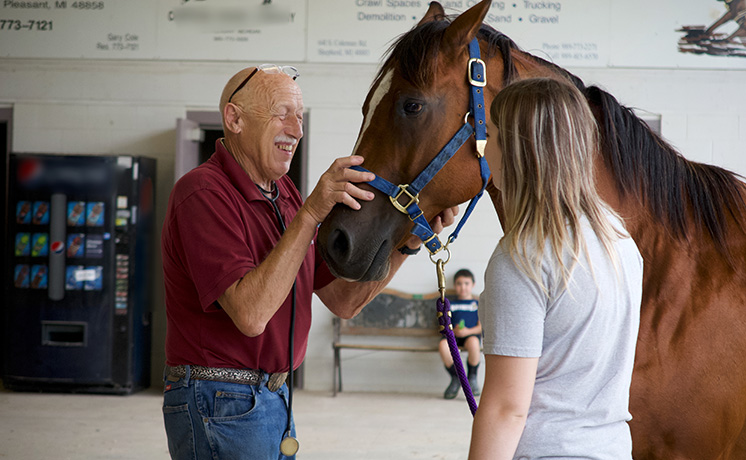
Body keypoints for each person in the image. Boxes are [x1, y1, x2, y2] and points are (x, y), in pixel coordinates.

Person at [160, 64, 457, 460]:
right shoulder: (201, 192)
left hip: (273, 396)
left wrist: (410, 241)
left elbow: (343, 300)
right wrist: (311, 213)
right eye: (282, 112)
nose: (296, 130)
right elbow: (250, 315)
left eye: (299, 117)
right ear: (234, 118)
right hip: (220, 399)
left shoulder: (283, 193)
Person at [468, 78, 644, 459]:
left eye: (492, 136)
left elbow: (506, 409)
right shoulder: (619, 239)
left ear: (516, 150)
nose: (484, 151)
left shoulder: (522, 258)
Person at [439, 268, 482, 399]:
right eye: (459, 284)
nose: (463, 287)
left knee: (474, 343)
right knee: (443, 345)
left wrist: (468, 332)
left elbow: (481, 327)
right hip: (453, 336)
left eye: (466, 283)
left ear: (473, 285)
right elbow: (444, 325)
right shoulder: (449, 304)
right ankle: (456, 377)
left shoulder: (477, 304)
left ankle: (472, 377)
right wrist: (454, 332)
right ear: (454, 285)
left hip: (471, 336)